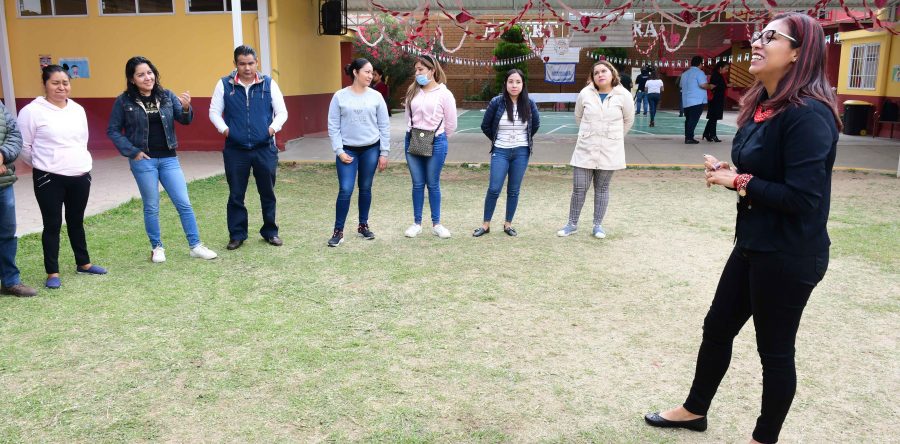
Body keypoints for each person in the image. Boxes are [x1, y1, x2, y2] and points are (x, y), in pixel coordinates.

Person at [644, 13, 841, 444]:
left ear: (797, 52)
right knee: (717, 327)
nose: (757, 40)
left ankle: (762, 438)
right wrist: (732, 170)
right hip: (752, 242)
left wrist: (738, 181)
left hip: (789, 254)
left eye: (771, 36)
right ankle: (695, 410)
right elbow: (766, 174)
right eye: (758, 33)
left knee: (774, 352)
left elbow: (803, 198)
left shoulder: (809, 115)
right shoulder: (763, 108)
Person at [107, 56, 218, 263]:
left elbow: (184, 120)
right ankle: (157, 247)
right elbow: (113, 130)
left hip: (169, 159)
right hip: (143, 161)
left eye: (149, 73)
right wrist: (133, 152)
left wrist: (185, 107)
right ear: (132, 79)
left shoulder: (166, 96)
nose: (147, 77)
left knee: (184, 203)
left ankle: (195, 245)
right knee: (151, 205)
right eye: (140, 75)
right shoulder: (124, 101)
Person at [18, 65, 107, 289]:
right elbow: (24, 146)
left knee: (76, 221)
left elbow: (82, 140)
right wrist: (43, 164)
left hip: (80, 174)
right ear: (45, 85)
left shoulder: (77, 109)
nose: (61, 87)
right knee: (52, 224)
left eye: (65, 83)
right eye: (55, 83)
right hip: (49, 177)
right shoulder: (32, 111)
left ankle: (84, 263)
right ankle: (52, 272)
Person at [209, 45, 288, 250]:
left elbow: (282, 112)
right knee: (236, 194)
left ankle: (270, 232)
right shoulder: (225, 85)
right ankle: (237, 235)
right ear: (235, 64)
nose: (247, 68)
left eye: (250, 63)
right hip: (235, 149)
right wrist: (226, 131)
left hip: (264, 148)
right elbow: (214, 112)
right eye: (242, 63)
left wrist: (271, 130)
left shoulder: (268, 84)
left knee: (267, 192)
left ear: (257, 62)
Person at [557, 60, 634, 239]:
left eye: (604, 71)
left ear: (612, 73)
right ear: (592, 77)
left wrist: (613, 138)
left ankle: (597, 225)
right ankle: (572, 224)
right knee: (579, 188)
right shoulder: (585, 93)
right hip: (585, 148)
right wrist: (591, 134)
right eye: (596, 72)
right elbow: (578, 117)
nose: (600, 74)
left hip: (610, 150)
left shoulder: (623, 95)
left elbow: (628, 120)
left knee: (602, 188)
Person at [326, 58, 390, 247]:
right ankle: (338, 231)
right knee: (346, 189)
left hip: (371, 148)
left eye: (372, 73)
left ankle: (363, 225)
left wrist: (384, 152)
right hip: (347, 150)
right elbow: (333, 125)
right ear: (355, 72)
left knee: (365, 187)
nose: (371, 76)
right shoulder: (339, 96)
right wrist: (339, 151)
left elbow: (384, 126)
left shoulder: (376, 97)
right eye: (367, 72)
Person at [473, 68, 540, 238]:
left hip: (521, 152)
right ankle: (485, 224)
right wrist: (497, 141)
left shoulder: (529, 103)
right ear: (505, 83)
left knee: (513, 190)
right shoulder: (497, 102)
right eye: (511, 81)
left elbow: (536, 125)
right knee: (494, 188)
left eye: (518, 82)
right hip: (500, 151)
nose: (514, 85)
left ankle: (508, 224)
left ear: (523, 84)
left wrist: (521, 141)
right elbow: (485, 126)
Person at [402, 54, 457, 239]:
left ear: (432, 70)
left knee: (432, 183)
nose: (417, 73)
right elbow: (407, 117)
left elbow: (451, 123)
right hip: (413, 138)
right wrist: (413, 134)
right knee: (417, 184)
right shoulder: (413, 91)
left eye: (421, 70)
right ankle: (417, 223)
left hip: (436, 140)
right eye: (416, 70)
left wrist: (438, 137)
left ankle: (437, 224)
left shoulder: (444, 93)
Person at [0, 102, 38, 297]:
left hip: (2, 182)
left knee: (6, 233)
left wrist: (2, 154)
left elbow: (14, 135)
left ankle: (10, 281)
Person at [680, 56, 714, 144]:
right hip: (697, 100)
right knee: (693, 119)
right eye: (702, 63)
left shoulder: (684, 74)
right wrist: (710, 86)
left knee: (688, 120)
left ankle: (688, 136)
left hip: (686, 100)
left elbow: (681, 85)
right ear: (700, 64)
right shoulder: (699, 73)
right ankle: (689, 138)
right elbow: (703, 85)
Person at [702, 61, 730, 142]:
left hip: (718, 99)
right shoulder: (716, 75)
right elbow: (713, 87)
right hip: (715, 99)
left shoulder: (720, 75)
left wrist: (726, 86)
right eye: (726, 68)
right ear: (720, 68)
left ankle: (706, 133)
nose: (727, 70)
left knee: (713, 118)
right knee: (714, 118)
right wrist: (726, 86)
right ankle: (713, 135)